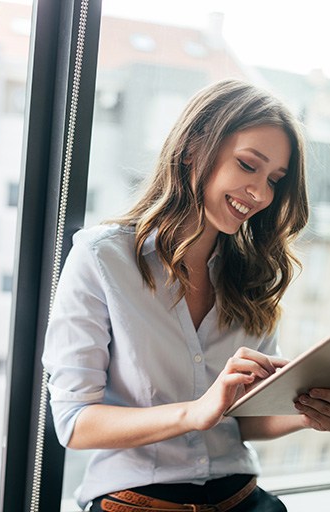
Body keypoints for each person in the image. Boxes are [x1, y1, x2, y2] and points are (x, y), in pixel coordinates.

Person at [42, 79, 330, 512]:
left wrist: (308, 414)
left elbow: (243, 420)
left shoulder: (251, 274)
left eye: (274, 179)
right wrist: (194, 411)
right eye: (248, 165)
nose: (261, 194)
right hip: (138, 501)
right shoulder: (102, 258)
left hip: (244, 498)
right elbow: (75, 422)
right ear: (195, 147)